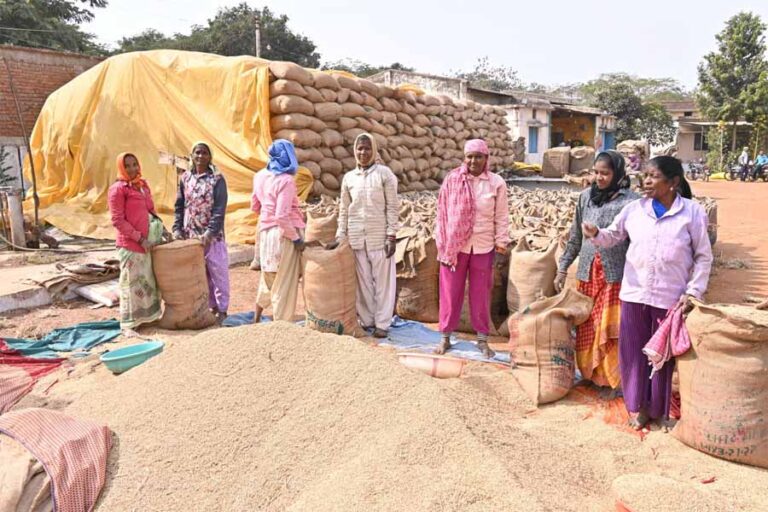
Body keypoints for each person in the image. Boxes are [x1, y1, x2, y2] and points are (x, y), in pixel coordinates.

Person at [582, 156, 713, 430]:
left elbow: (703, 256)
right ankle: (637, 408)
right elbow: (612, 236)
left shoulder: (691, 213)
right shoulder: (634, 210)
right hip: (634, 294)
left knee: (661, 357)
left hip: (670, 296)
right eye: (645, 176)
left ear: (674, 182)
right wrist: (595, 233)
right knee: (632, 355)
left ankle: (659, 410)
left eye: (653, 176)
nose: (646, 181)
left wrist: (694, 291)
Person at [556, 150, 639, 390]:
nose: (599, 178)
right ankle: (590, 376)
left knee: (611, 330)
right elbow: (575, 237)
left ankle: (613, 382)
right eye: (596, 172)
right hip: (587, 275)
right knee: (587, 327)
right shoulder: (585, 198)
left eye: (605, 173)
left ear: (618, 174)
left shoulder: (630, 202)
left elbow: (636, 242)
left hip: (614, 276)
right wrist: (563, 268)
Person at [434, 139, 510, 359]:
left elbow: (501, 216)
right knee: (450, 293)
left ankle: (482, 339)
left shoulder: (496, 183)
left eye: (478, 156)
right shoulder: (452, 180)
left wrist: (501, 241)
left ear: (486, 159)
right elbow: (443, 212)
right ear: (464, 158)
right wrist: (443, 241)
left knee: (480, 293)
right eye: (470, 156)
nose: (473, 161)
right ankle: (445, 337)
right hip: (454, 248)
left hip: (483, 246)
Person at [327, 133, 399, 338]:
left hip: (379, 236)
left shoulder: (385, 175)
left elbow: (393, 207)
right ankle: (367, 320)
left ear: (374, 150)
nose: (363, 152)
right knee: (364, 281)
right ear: (354, 151)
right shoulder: (349, 178)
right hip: (357, 237)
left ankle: (383, 323)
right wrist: (341, 237)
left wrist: (391, 235)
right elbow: (344, 209)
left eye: (367, 148)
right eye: (359, 148)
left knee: (384, 282)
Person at [108, 153, 165, 334]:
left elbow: (151, 210)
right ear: (121, 168)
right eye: (128, 166)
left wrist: (162, 229)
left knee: (147, 283)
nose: (133, 169)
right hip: (131, 245)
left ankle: (147, 318)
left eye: (135, 164)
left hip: (148, 244)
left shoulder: (142, 185)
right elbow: (117, 220)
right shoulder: (118, 189)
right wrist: (139, 238)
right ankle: (129, 324)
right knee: (130, 284)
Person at [173, 141, 230, 323]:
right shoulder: (185, 178)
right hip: (192, 236)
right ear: (192, 155)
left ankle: (222, 309)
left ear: (210, 156)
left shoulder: (217, 180)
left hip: (213, 238)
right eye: (197, 152)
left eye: (204, 153)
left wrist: (210, 233)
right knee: (201, 275)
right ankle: (208, 307)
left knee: (218, 272)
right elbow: (180, 206)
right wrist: (177, 228)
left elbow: (219, 209)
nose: (200, 156)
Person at [251, 139, 305, 323]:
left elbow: (255, 205)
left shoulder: (261, 177)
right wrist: (296, 238)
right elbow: (282, 215)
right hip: (282, 234)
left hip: (265, 233)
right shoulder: (286, 181)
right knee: (285, 282)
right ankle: (281, 326)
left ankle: (257, 316)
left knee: (269, 277)